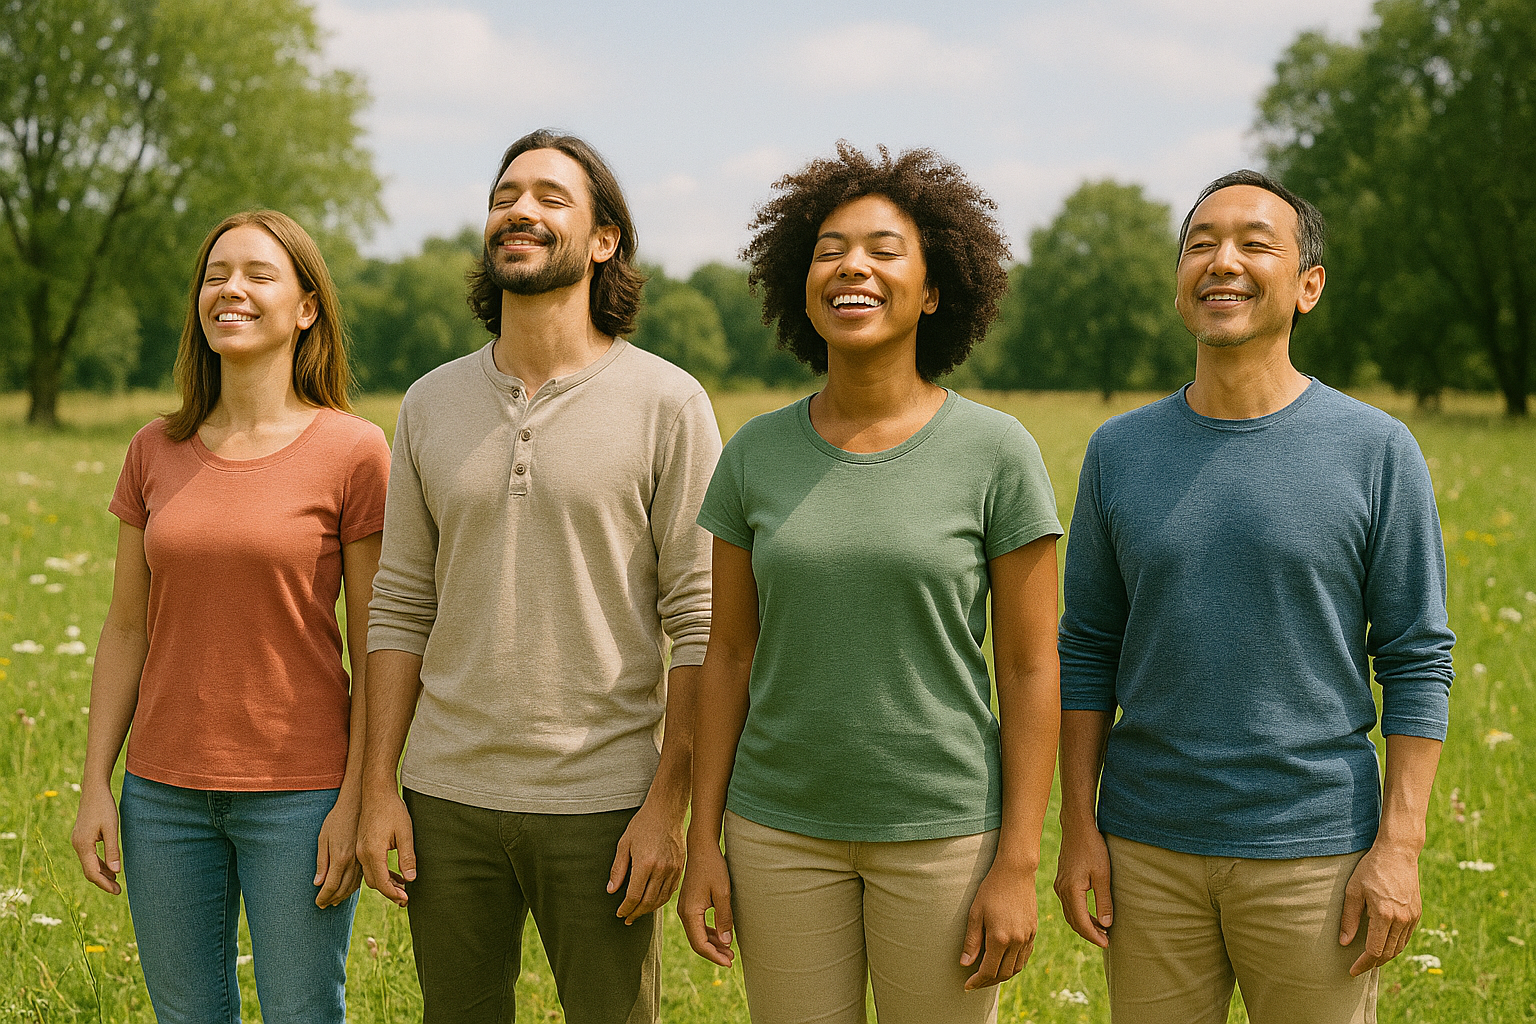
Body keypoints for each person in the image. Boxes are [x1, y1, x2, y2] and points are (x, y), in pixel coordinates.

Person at [1054, 169, 1456, 1024]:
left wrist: (1401, 845)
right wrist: (1078, 827)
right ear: (1178, 282)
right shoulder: (1118, 452)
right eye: (1200, 244)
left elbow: (1419, 657)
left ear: (1308, 286)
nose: (1221, 261)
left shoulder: (1377, 451)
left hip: (1318, 854)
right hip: (1147, 849)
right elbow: (1086, 647)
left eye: (1253, 244)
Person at [677, 143, 1063, 1024]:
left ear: (933, 289)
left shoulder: (997, 454)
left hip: (945, 832)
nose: (852, 266)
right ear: (799, 283)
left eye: (885, 249)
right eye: (828, 248)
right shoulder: (754, 455)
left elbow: (1034, 668)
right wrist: (705, 840)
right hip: (777, 833)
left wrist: (1016, 863)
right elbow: (727, 653)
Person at [356, 129, 721, 1024]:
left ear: (604, 241)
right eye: (505, 195)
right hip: (445, 800)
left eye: (551, 198)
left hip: (605, 807)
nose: (519, 211)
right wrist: (376, 789)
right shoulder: (429, 402)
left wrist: (665, 807)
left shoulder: (668, 403)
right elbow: (399, 605)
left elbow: (703, 618)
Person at [70, 209, 389, 1022]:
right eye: (216, 276)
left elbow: (376, 644)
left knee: (301, 1012)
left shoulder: (353, 451)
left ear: (306, 307)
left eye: (256, 274)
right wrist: (95, 789)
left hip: (301, 797)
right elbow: (126, 631)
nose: (231, 291)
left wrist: (358, 796)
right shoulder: (154, 448)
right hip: (162, 797)